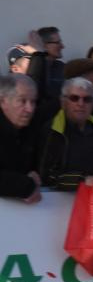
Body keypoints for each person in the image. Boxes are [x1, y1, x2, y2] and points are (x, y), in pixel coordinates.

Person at [39, 78, 93, 191]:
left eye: (87, 99)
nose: (81, 104)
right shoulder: (51, 131)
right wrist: (83, 181)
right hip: (60, 203)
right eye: (74, 98)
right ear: (63, 102)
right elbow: (46, 175)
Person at [0, 74, 41, 203]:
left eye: (33, 102)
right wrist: (25, 185)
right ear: (3, 101)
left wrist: (34, 174)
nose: (29, 109)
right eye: (22, 101)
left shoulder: (33, 127)